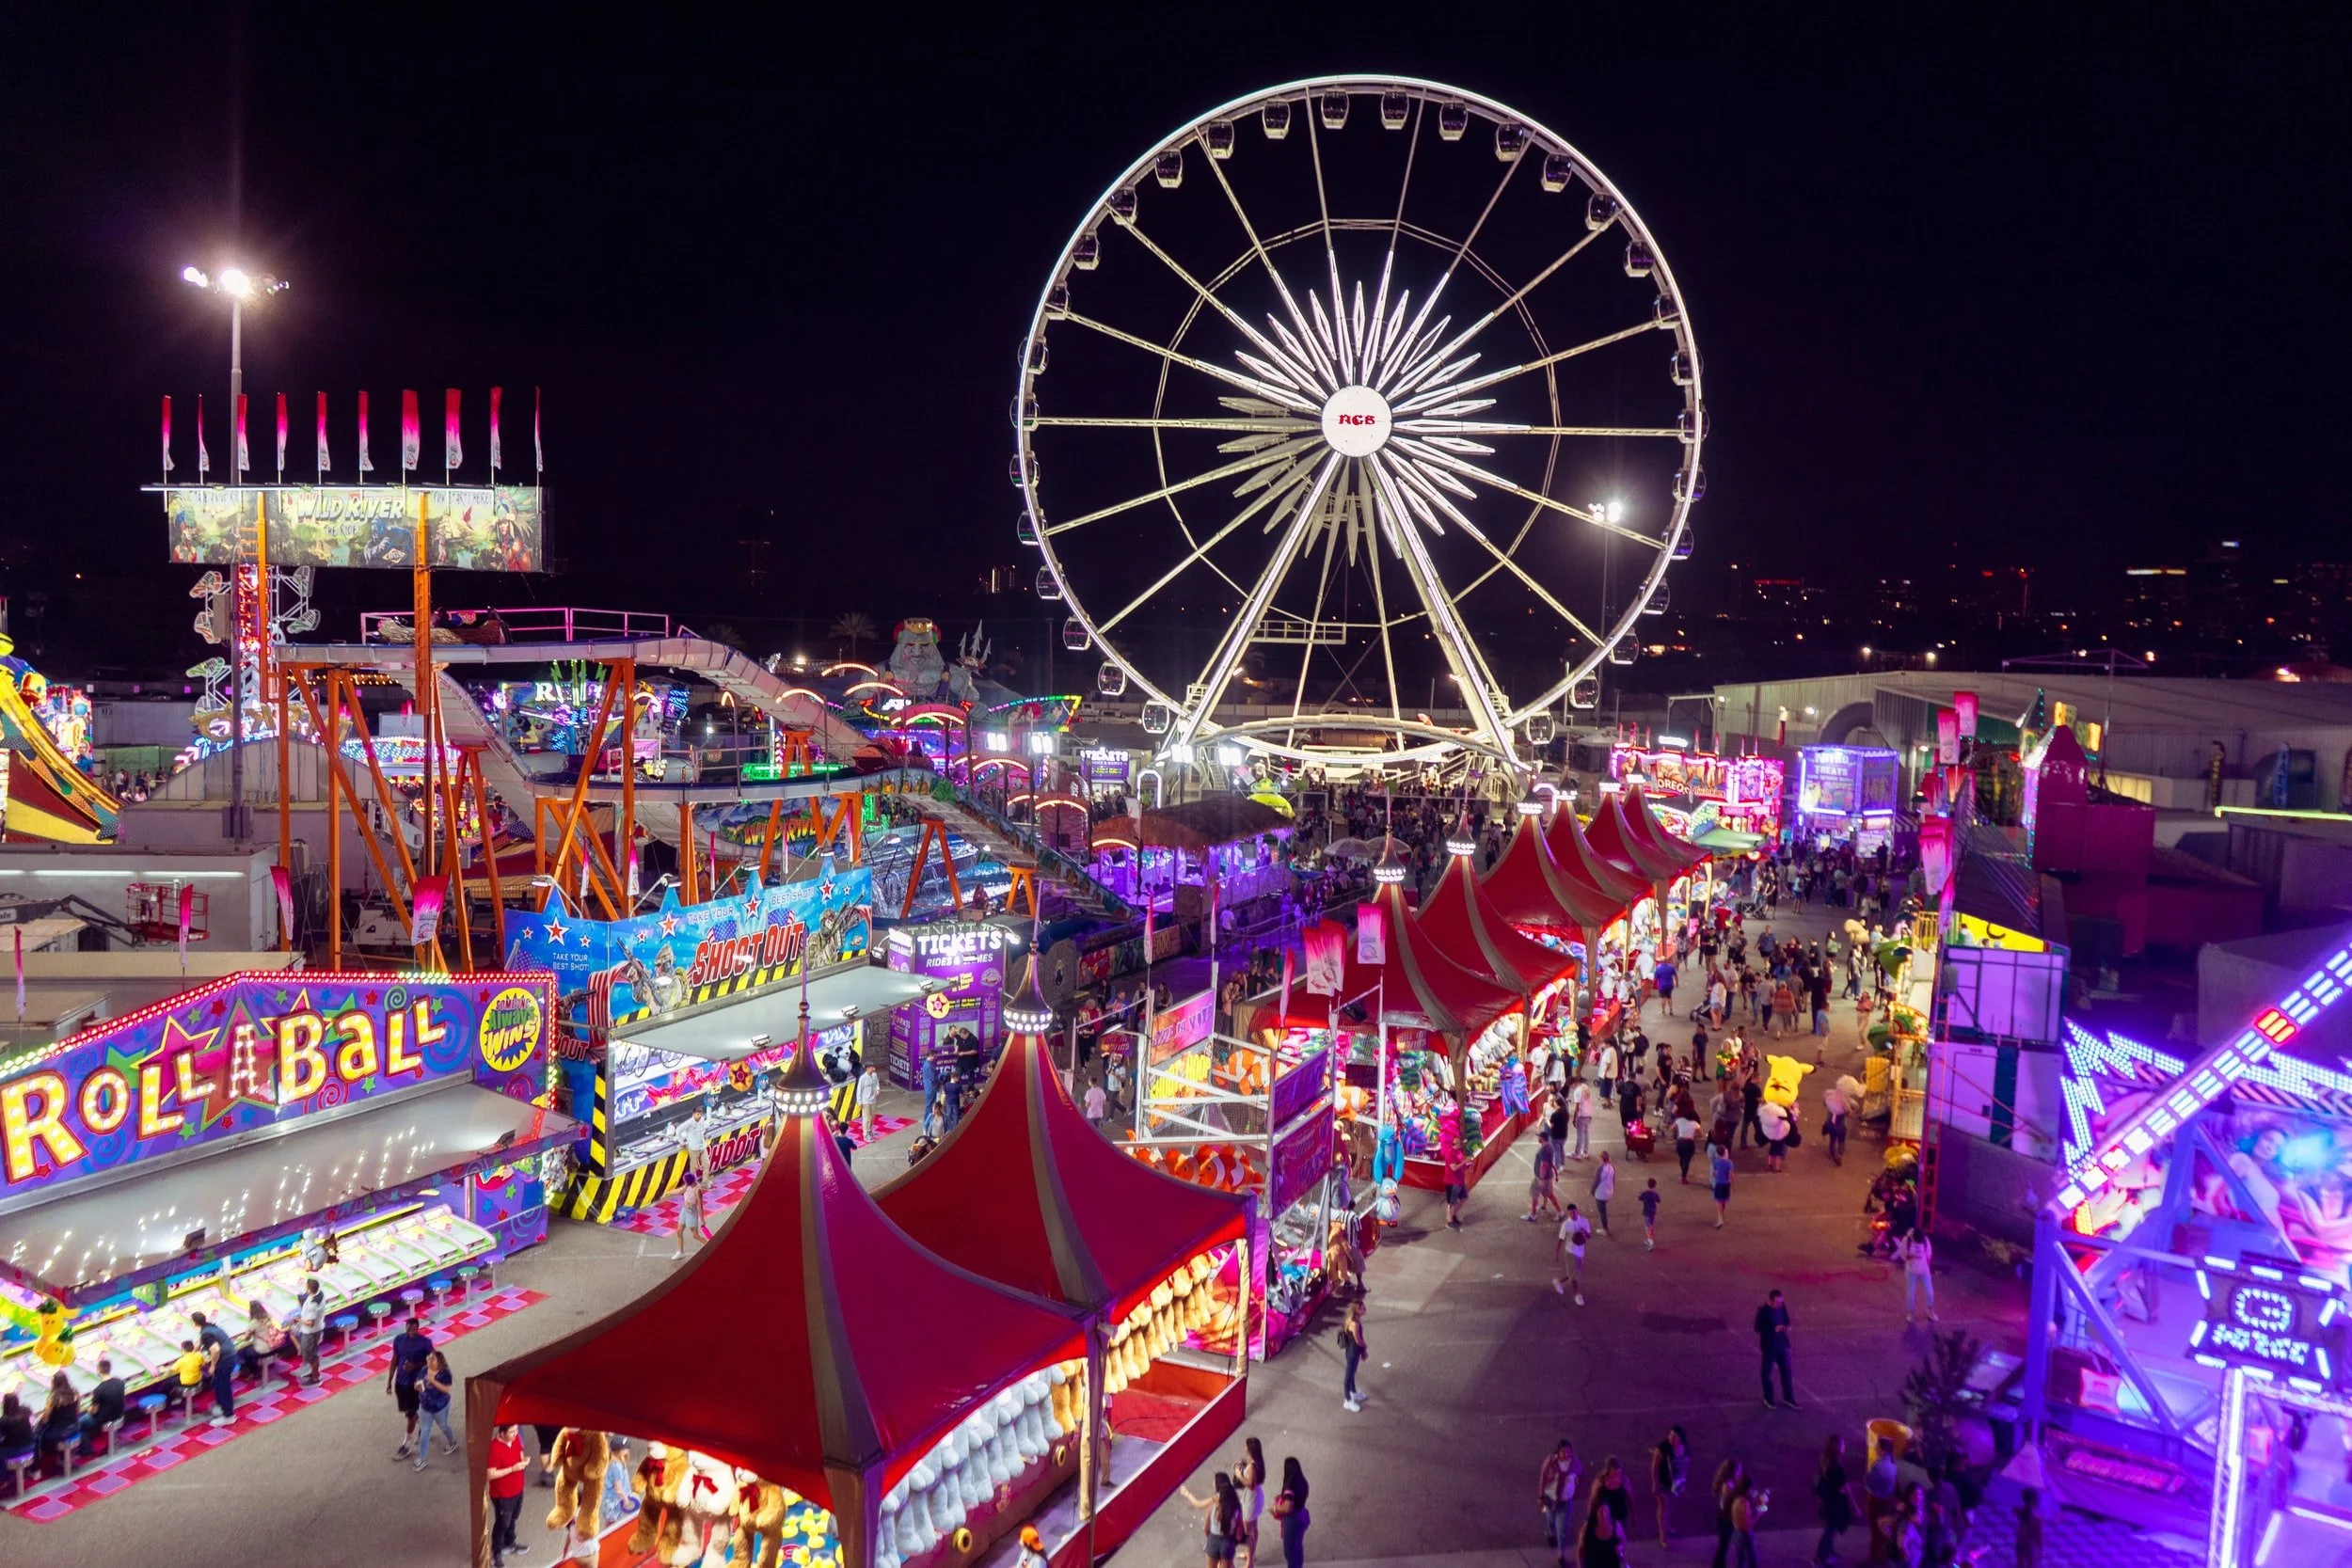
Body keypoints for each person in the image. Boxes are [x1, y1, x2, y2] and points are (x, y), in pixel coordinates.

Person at [387, 1314, 435, 1458]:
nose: (411, 1332)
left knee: (411, 1415)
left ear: (417, 1328)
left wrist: (416, 1365)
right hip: (401, 1383)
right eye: (408, 1329)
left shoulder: (425, 1343)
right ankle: (424, 1426)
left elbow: (433, 1361)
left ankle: (406, 1444)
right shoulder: (399, 1340)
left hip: (416, 1384)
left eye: (413, 1329)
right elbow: (394, 1360)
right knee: (408, 1411)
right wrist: (389, 1381)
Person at [1179, 1472, 1244, 1568]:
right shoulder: (1237, 1507)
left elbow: (1199, 1506)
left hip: (1213, 1541)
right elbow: (1239, 1536)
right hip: (1228, 1543)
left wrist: (1186, 1493)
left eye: (1214, 1481)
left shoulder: (1214, 1502)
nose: (1212, 1482)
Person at [488, 1422, 530, 1567]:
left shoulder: (516, 1439)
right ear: (502, 1433)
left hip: (518, 1490)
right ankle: (496, 1554)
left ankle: (510, 1543)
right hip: (502, 1495)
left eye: (517, 1430)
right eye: (512, 1432)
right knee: (502, 1523)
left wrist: (523, 1461)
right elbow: (490, 1474)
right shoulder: (494, 1448)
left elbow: (520, 1454)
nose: (516, 1434)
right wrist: (513, 1469)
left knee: (513, 1518)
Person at [1814, 1435, 1857, 1567]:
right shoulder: (1837, 1468)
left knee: (1830, 1529)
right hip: (1835, 1503)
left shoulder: (1825, 1459)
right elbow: (1845, 1488)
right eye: (1843, 1445)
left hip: (1827, 1500)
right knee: (1830, 1530)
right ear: (1837, 1448)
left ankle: (1829, 1552)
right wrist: (1855, 1507)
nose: (1845, 1447)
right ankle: (1820, 1557)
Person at [412, 1349, 457, 1470]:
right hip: (425, 1406)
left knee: (443, 1425)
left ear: (439, 1361)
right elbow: (417, 1383)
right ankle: (422, 1459)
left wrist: (433, 1381)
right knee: (425, 1431)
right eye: (429, 1358)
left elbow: (446, 1389)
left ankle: (452, 1442)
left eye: (432, 1358)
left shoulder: (445, 1374)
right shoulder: (423, 1370)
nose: (429, 1360)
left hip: (440, 1407)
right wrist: (418, 1387)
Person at [1584, 1458, 1633, 1568]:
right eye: (1614, 1472)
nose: (1617, 1475)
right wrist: (1590, 1517)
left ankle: (1619, 1559)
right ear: (1608, 1470)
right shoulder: (1600, 1482)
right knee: (1604, 1539)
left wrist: (1633, 1514)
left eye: (1619, 1473)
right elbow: (1592, 1500)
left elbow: (1630, 1497)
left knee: (1620, 1539)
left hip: (1620, 1515)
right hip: (1604, 1516)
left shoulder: (1624, 1480)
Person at [1538, 1439, 1581, 1563]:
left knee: (1562, 1527)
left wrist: (1576, 1487)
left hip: (1566, 1500)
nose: (1566, 1454)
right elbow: (1543, 1478)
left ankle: (1560, 1554)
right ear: (1558, 1451)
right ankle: (1550, 1532)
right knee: (1550, 1519)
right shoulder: (1550, 1462)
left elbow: (1579, 1475)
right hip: (1551, 1498)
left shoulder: (1574, 1463)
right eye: (1564, 1451)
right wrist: (1541, 1496)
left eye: (1569, 1451)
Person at [194, 1308, 237, 1426]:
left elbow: (215, 1349)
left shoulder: (207, 1333)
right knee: (218, 1384)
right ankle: (222, 1407)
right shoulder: (210, 1327)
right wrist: (193, 1352)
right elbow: (200, 1341)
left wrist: (212, 1366)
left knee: (223, 1387)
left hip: (225, 1360)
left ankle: (228, 1415)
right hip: (231, 1356)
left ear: (194, 1323)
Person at [75, 1357, 125, 1457]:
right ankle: (111, 1442)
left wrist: (88, 1409)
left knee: (79, 1423)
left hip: (104, 1418)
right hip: (119, 1413)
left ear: (98, 1370)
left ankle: (86, 1450)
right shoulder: (120, 1382)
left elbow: (93, 1410)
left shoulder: (99, 1390)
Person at [1756, 1289, 1796, 1408]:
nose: (1780, 1305)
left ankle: (1788, 1398)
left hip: (1782, 1345)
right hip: (1769, 1347)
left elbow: (1787, 1320)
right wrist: (1773, 1330)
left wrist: (1786, 1327)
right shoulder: (1763, 1311)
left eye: (1781, 1302)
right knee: (1766, 1374)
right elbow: (1757, 1328)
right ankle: (1768, 1398)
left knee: (1787, 1373)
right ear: (1770, 1301)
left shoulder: (1782, 1307)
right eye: (1777, 1303)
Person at [1652, 1426, 1689, 1544]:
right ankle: (1663, 1536)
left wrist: (1683, 1481)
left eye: (1675, 1436)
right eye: (1670, 1435)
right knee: (1663, 1507)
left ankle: (1666, 1526)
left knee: (1671, 1505)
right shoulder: (1662, 1448)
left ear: (1680, 1438)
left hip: (1677, 1483)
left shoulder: (1685, 1448)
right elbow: (1654, 1467)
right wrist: (1655, 1483)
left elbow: (1686, 1463)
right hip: (1664, 1482)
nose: (1671, 1438)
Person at [1234, 1435, 1267, 1568]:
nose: (1244, 1448)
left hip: (1251, 1500)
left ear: (1250, 1449)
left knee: (1248, 1532)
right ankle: (1250, 1554)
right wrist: (1243, 1467)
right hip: (1256, 1497)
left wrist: (1239, 1475)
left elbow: (1250, 1485)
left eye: (1246, 1446)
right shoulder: (1257, 1462)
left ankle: (1250, 1562)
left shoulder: (1252, 1466)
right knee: (1254, 1528)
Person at [1272, 1456, 1311, 1568]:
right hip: (1303, 1515)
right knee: (1298, 1547)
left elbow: (1288, 1508)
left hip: (1293, 1521)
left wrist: (1275, 1508)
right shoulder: (1303, 1481)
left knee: (1290, 1553)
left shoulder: (1290, 1486)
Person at [36, 1370, 79, 1466]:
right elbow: (77, 1412)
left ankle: (37, 1466)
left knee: (38, 1435)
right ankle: (63, 1456)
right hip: (74, 1426)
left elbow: (45, 1419)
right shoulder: (75, 1393)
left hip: (59, 1432)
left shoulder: (53, 1398)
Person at [1553, 1203, 1592, 1307]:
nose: (1573, 1214)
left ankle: (1558, 1281)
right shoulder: (1566, 1224)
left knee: (1575, 1272)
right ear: (1568, 1213)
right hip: (1570, 1252)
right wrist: (1557, 1252)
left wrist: (1584, 1232)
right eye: (1570, 1213)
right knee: (1574, 1276)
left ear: (1577, 1211)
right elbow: (1561, 1239)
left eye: (1574, 1212)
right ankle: (1577, 1296)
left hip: (1580, 1252)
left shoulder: (1584, 1221)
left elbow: (1589, 1236)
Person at [293, 1275, 327, 1386]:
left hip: (311, 1332)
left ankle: (315, 1376)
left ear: (309, 1289)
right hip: (315, 1330)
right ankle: (313, 1372)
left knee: (310, 1355)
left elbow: (310, 1323)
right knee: (311, 1353)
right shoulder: (320, 1294)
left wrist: (299, 1320)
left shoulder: (313, 1304)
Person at [1900, 1226, 1938, 1324]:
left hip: (1924, 1271)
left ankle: (1930, 1310)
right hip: (1911, 1272)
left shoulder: (1925, 1240)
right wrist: (1911, 1257)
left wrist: (1925, 1266)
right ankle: (1911, 1313)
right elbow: (1903, 1255)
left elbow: (1928, 1255)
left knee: (1930, 1292)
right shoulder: (1906, 1241)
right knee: (1911, 1294)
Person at [1728, 1471, 1767, 1568]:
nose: (1753, 1490)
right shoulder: (1744, 1503)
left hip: (1736, 1533)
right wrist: (1759, 1513)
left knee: (1741, 1561)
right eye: (1751, 1488)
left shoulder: (1736, 1500)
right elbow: (1747, 1525)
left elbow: (1741, 1518)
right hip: (1745, 1536)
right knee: (1753, 1561)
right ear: (1747, 1489)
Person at [675, 1170, 711, 1259]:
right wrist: (667, 1193)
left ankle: (710, 1246)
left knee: (695, 1235)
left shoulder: (697, 1190)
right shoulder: (687, 1185)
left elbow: (700, 1205)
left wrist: (702, 1220)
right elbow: (680, 1191)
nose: (684, 1182)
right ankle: (681, 1252)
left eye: (685, 1180)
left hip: (691, 1212)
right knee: (679, 1231)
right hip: (684, 1210)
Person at [1337, 1299, 1365, 1411]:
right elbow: (1358, 1340)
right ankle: (1348, 1400)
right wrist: (1365, 1348)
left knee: (1352, 1372)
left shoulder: (1355, 1319)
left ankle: (1353, 1392)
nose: (1364, 1309)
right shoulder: (1354, 1323)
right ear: (1356, 1310)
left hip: (1353, 1350)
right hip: (1353, 1351)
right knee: (1349, 1375)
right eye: (1362, 1308)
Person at [1528, 1132, 1561, 1221]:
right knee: (1549, 1194)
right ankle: (1559, 1211)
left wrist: (1541, 1179)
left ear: (1542, 1138)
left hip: (1542, 1178)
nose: (1538, 1138)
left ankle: (1532, 1215)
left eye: (1539, 1137)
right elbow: (1551, 1163)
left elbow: (1544, 1165)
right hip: (1548, 1177)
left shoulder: (1544, 1150)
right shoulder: (1550, 1147)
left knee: (1535, 1194)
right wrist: (1556, 1174)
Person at [677, 1099, 711, 1180]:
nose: (699, 1116)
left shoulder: (702, 1120)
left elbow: (707, 1124)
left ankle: (705, 1183)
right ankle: (693, 1186)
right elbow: (678, 1130)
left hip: (702, 1147)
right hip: (694, 1149)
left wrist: (709, 1107)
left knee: (706, 1165)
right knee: (693, 1169)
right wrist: (681, 1142)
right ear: (693, 1114)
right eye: (697, 1114)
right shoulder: (689, 1123)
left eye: (700, 1114)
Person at [2012, 1487, 2043, 1568]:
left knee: (2021, 1561)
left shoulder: (2021, 1512)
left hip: (2021, 1540)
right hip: (2029, 1542)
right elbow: (2038, 1533)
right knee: (2030, 1562)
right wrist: (2040, 1547)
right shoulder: (2036, 1517)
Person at [1592, 1151, 1617, 1236]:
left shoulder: (1600, 1169)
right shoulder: (1611, 1167)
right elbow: (1613, 1180)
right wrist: (1612, 1191)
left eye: (1599, 1157)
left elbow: (1596, 1182)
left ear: (1602, 1158)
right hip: (1609, 1192)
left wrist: (1592, 1191)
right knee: (1603, 1210)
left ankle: (1604, 1228)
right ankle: (1605, 1226)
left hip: (1601, 1193)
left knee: (1602, 1212)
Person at [1443, 1147, 1469, 1231]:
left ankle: (1453, 1216)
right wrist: (1464, 1162)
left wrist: (1466, 1164)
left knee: (1464, 1198)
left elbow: (1461, 1162)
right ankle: (1449, 1222)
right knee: (1452, 1203)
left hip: (1460, 1181)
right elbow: (1453, 1168)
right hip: (1452, 1182)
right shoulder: (1450, 1153)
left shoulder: (1460, 1151)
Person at [1570, 1078, 1596, 1161]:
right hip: (1588, 1112)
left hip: (1581, 1115)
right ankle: (1585, 1152)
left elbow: (1577, 1107)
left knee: (1580, 1135)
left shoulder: (1577, 1091)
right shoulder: (1585, 1087)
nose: (1571, 1087)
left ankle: (1577, 1153)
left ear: (1574, 1083)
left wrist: (1574, 1118)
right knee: (1586, 1133)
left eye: (1571, 1085)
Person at [1674, 1108, 1702, 1183]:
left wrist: (1679, 1130)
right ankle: (1684, 1177)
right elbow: (1700, 1133)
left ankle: (1683, 1171)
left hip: (1680, 1142)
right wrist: (1694, 1135)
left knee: (1682, 1158)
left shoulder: (1679, 1120)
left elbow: (1672, 1127)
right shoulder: (1695, 1123)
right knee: (1686, 1160)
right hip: (1689, 1143)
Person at [1711, 1142, 1735, 1228]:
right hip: (1726, 1184)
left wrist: (1715, 1176)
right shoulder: (1729, 1163)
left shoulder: (1716, 1163)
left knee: (1718, 1201)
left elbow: (1714, 1173)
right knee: (1724, 1200)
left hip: (1719, 1184)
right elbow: (1731, 1175)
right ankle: (1722, 1215)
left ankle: (1720, 1219)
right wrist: (1731, 1182)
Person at [1640, 1178, 1662, 1251]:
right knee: (1651, 1226)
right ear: (1655, 1185)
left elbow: (1640, 1198)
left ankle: (1650, 1241)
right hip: (1653, 1212)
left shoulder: (1645, 1193)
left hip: (1647, 1212)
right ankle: (1650, 1239)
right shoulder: (1655, 1194)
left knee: (1647, 1227)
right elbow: (1659, 1200)